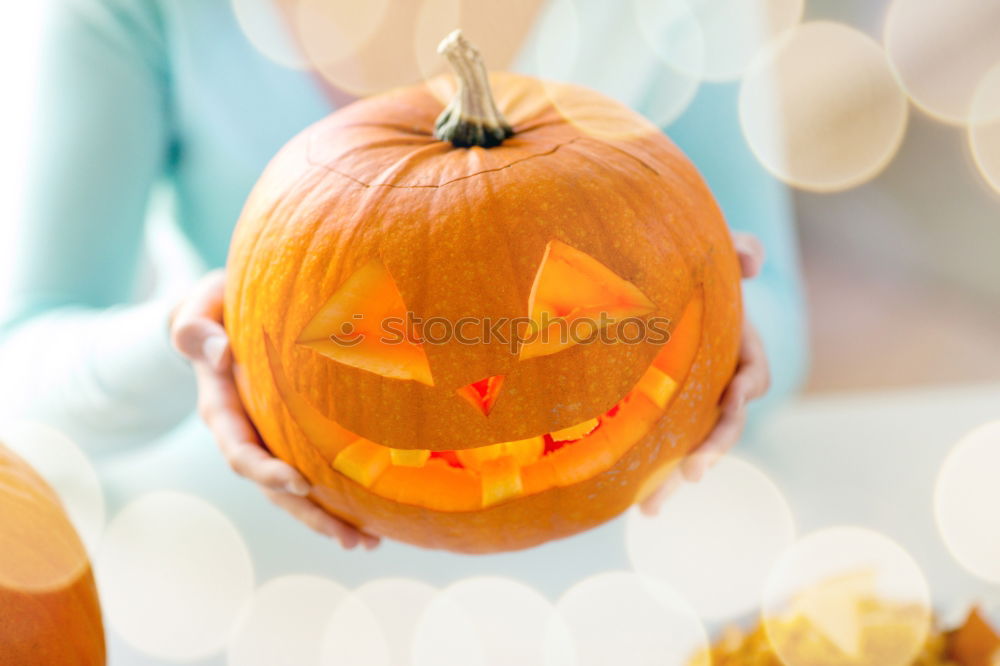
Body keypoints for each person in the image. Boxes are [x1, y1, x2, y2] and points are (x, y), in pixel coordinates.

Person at [0, 0, 807, 550]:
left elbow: (774, 315)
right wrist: (203, 336)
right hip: (244, 559)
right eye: (382, 335)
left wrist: (730, 331)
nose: (483, 385)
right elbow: (23, 365)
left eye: (568, 321)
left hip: (633, 567)